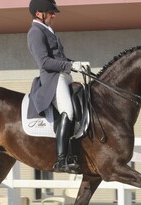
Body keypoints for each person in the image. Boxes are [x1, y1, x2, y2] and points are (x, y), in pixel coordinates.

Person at [27, 0, 87, 173]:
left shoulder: (48, 30)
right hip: (52, 80)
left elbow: (59, 58)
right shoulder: (35, 32)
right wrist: (70, 66)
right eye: (50, 12)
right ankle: (61, 159)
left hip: (63, 76)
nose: (53, 15)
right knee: (68, 110)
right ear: (39, 13)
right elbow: (44, 62)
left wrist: (76, 63)